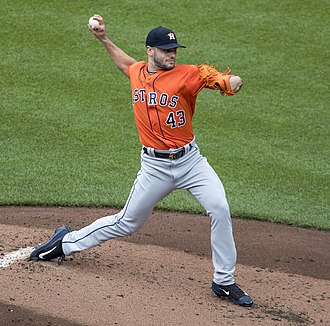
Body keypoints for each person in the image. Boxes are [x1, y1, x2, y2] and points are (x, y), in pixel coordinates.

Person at [29, 14, 253, 307]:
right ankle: (65, 243)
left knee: (220, 208)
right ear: (151, 51)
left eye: (174, 49)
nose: (171, 54)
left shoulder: (187, 74)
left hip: (191, 163)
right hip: (155, 168)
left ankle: (223, 281)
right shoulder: (138, 72)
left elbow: (219, 79)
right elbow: (125, 63)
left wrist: (230, 81)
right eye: (165, 50)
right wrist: (103, 38)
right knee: (126, 222)